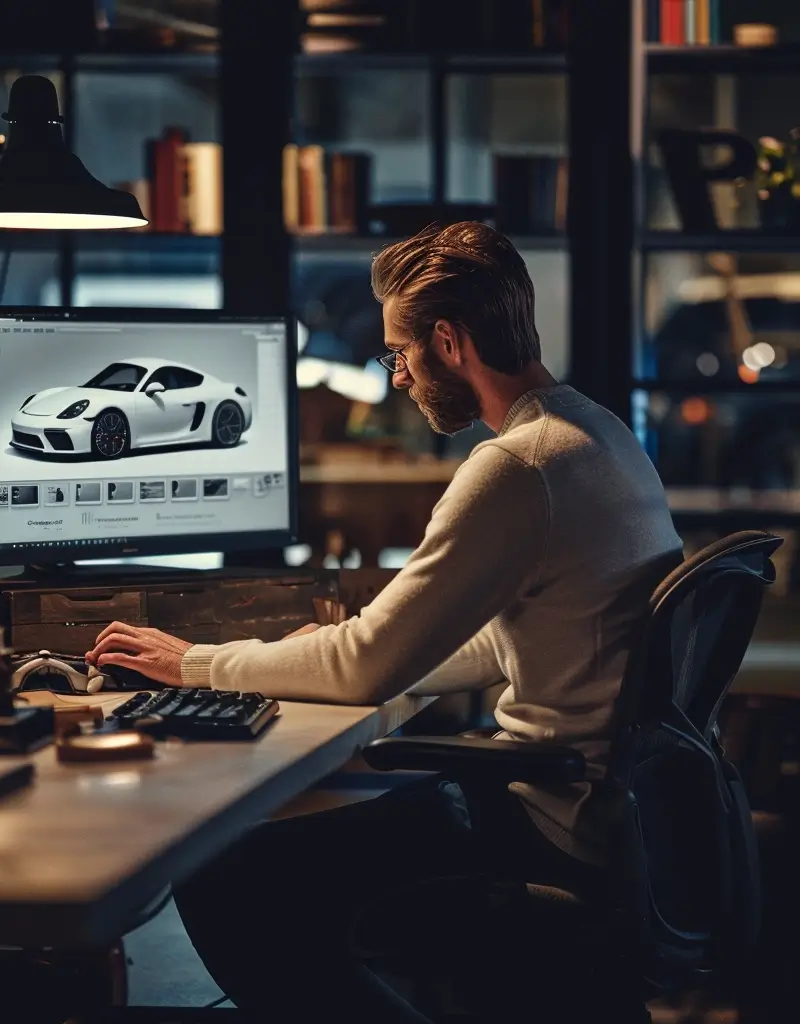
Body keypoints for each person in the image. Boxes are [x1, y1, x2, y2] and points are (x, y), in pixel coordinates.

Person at [85, 222, 682, 1023]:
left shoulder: (516, 466)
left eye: (398, 352)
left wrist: (195, 662)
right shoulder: (601, 436)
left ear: (447, 341)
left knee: (225, 864)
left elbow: (362, 669)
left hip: (539, 823)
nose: (396, 376)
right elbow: (502, 636)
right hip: (609, 816)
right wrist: (364, 652)